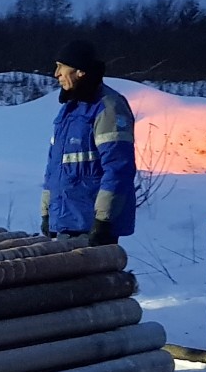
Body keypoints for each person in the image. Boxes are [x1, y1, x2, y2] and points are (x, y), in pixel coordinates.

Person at [40, 40, 136, 247]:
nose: (56, 73)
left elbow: (118, 168)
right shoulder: (69, 110)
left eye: (61, 66)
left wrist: (103, 220)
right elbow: (55, 167)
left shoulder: (108, 108)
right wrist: (47, 211)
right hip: (67, 222)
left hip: (90, 226)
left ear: (80, 71)